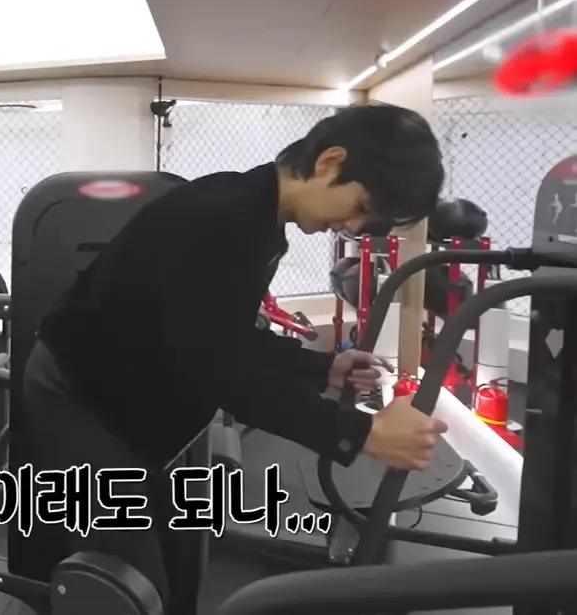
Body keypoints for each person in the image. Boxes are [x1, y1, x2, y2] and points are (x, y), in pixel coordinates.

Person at [30, 103, 450, 611]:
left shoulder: (260, 221)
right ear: (329, 161)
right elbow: (215, 368)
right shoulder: (222, 216)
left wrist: (321, 367)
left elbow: (224, 335)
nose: (355, 226)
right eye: (361, 206)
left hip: (138, 398)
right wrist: (360, 432)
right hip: (80, 395)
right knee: (131, 580)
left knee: (180, 559)